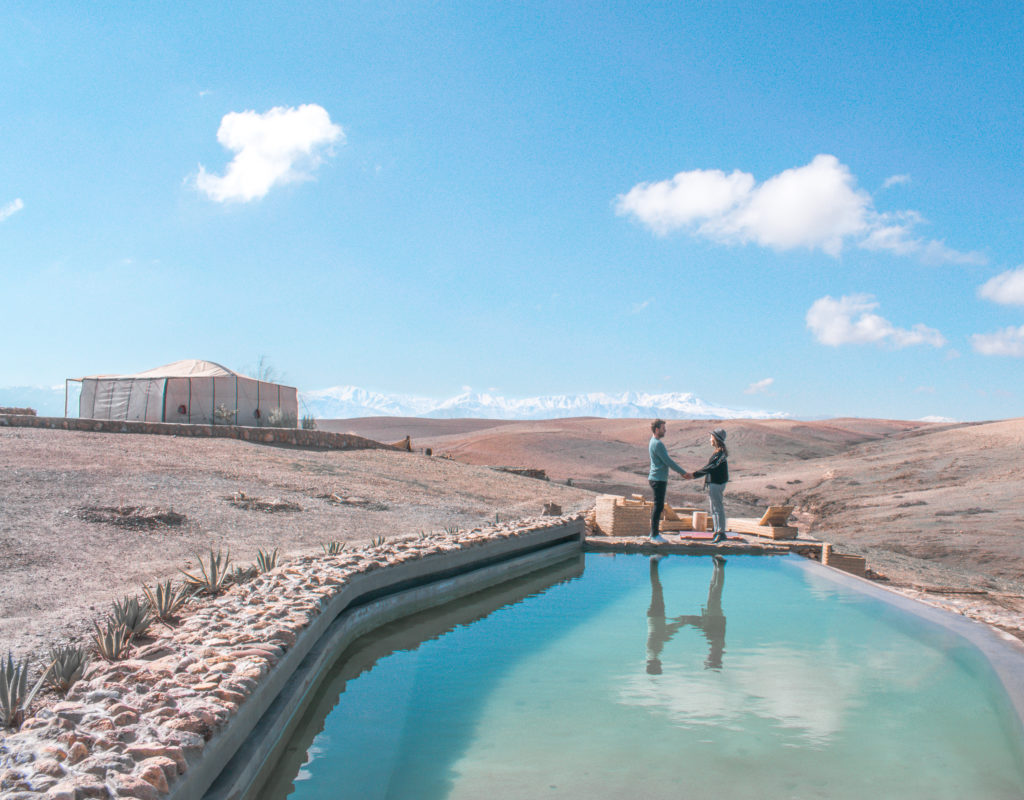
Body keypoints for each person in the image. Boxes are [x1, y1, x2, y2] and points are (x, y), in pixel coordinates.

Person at [648, 419, 689, 543]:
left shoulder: (653, 441)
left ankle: (653, 534)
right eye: (663, 428)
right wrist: (683, 472)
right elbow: (668, 461)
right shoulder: (657, 444)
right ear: (657, 429)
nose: (665, 430)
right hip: (658, 479)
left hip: (657, 478)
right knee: (658, 506)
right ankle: (654, 535)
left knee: (658, 506)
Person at [691, 428, 729, 543]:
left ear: (716, 439)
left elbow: (710, 467)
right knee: (714, 507)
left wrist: (694, 475)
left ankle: (721, 532)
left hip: (717, 483)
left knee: (717, 507)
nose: (710, 439)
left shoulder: (720, 454)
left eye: (711, 437)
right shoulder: (718, 452)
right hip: (715, 482)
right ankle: (717, 530)